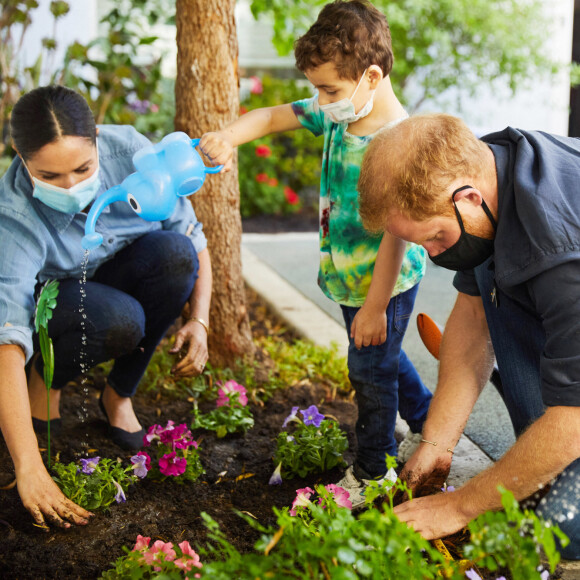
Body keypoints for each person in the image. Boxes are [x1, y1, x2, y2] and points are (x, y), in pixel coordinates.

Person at [200, 0, 432, 508]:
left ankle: (375, 470)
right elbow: (269, 116)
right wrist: (227, 137)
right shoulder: (336, 115)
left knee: (369, 370)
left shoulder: (397, 143)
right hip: (351, 277)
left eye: (329, 89)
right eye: (317, 88)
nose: (320, 99)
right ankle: (428, 421)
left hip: (384, 281)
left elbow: (398, 235)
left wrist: (374, 307)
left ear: (372, 76)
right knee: (380, 356)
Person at [357, 112, 580, 559]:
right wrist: (436, 443)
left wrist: (460, 506)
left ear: (469, 197)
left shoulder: (559, 250)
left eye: (437, 237)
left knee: (563, 530)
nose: (434, 254)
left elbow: (574, 419)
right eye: (423, 244)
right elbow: (473, 316)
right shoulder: (490, 176)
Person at [0, 85, 212, 529]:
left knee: (175, 256)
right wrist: (28, 467)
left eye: (82, 167)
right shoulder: (13, 214)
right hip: (56, 300)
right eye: (51, 176)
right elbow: (6, 339)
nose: (71, 186)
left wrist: (200, 321)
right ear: (21, 157)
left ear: (97, 137)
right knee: (119, 319)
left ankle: (118, 394)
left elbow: (193, 238)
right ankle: (47, 376)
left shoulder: (133, 153)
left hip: (117, 273)